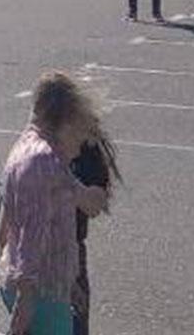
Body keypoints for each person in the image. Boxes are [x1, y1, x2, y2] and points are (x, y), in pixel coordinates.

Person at [0, 71, 108, 335]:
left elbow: (5, 228)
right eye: (80, 137)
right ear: (66, 123)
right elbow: (30, 246)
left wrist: (69, 284)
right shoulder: (44, 165)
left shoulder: (28, 146)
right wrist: (21, 315)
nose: (80, 150)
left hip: (44, 290)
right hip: (40, 297)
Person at [71, 115, 122, 335]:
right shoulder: (43, 162)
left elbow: (95, 204)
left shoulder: (28, 153)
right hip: (53, 263)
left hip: (50, 260)